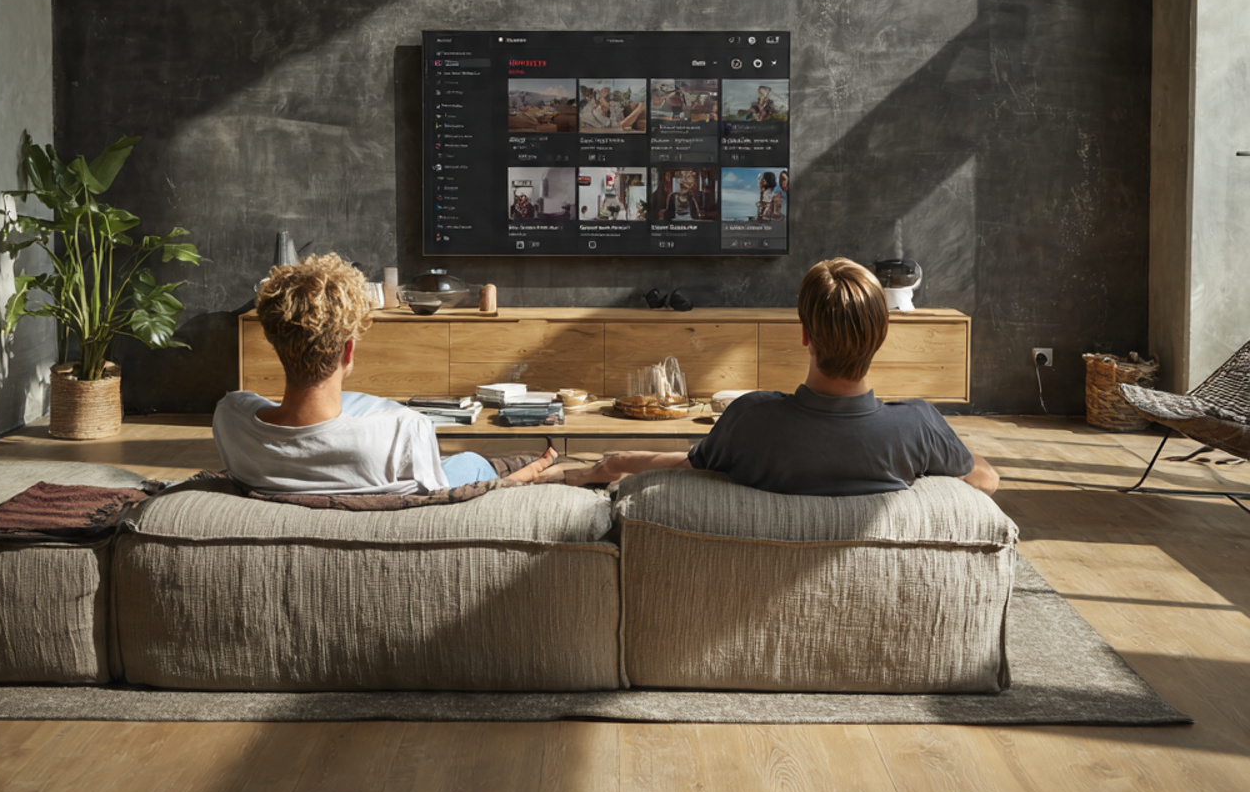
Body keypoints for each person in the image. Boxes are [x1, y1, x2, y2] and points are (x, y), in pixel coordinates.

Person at [564, 257, 999, 497]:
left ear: (805, 334)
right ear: (880, 337)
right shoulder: (917, 426)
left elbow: (691, 466)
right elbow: (985, 479)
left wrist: (618, 461)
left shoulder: (751, 418)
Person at [213, 253, 557, 495]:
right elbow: (440, 502)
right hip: (400, 480)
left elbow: (263, 407)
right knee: (468, 463)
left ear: (274, 340)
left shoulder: (230, 417)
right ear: (348, 350)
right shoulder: (405, 430)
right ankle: (510, 482)